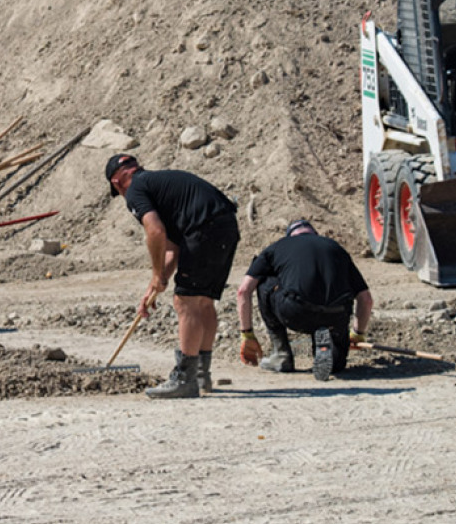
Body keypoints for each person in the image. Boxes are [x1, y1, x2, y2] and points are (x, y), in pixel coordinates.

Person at [105, 154, 240, 399]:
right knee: (203, 301)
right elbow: (174, 249)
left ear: (117, 182)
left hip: (203, 230)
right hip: (225, 226)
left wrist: (157, 275)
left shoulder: (135, 189)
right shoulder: (162, 183)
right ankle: (201, 375)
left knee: (185, 302)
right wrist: (157, 283)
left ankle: (185, 379)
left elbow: (155, 231)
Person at [235, 218, 373, 381]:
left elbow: (243, 291)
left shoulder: (277, 247)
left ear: (290, 236)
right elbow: (365, 299)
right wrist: (357, 333)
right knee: (336, 358)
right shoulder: (336, 249)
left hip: (296, 311)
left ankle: (281, 353)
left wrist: (247, 334)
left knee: (264, 281)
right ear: (315, 234)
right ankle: (330, 354)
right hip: (336, 315)